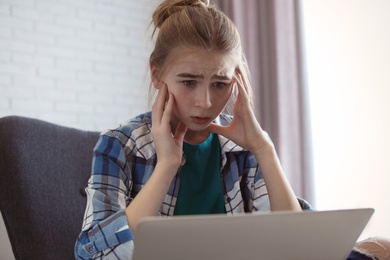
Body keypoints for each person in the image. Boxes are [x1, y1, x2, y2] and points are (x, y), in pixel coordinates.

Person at [74, 0, 387, 259]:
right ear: (157, 73)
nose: (205, 102)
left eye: (220, 84)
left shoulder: (242, 150)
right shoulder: (118, 145)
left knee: (383, 248)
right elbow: (93, 253)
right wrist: (166, 166)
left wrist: (264, 148)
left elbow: (301, 248)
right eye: (188, 82)